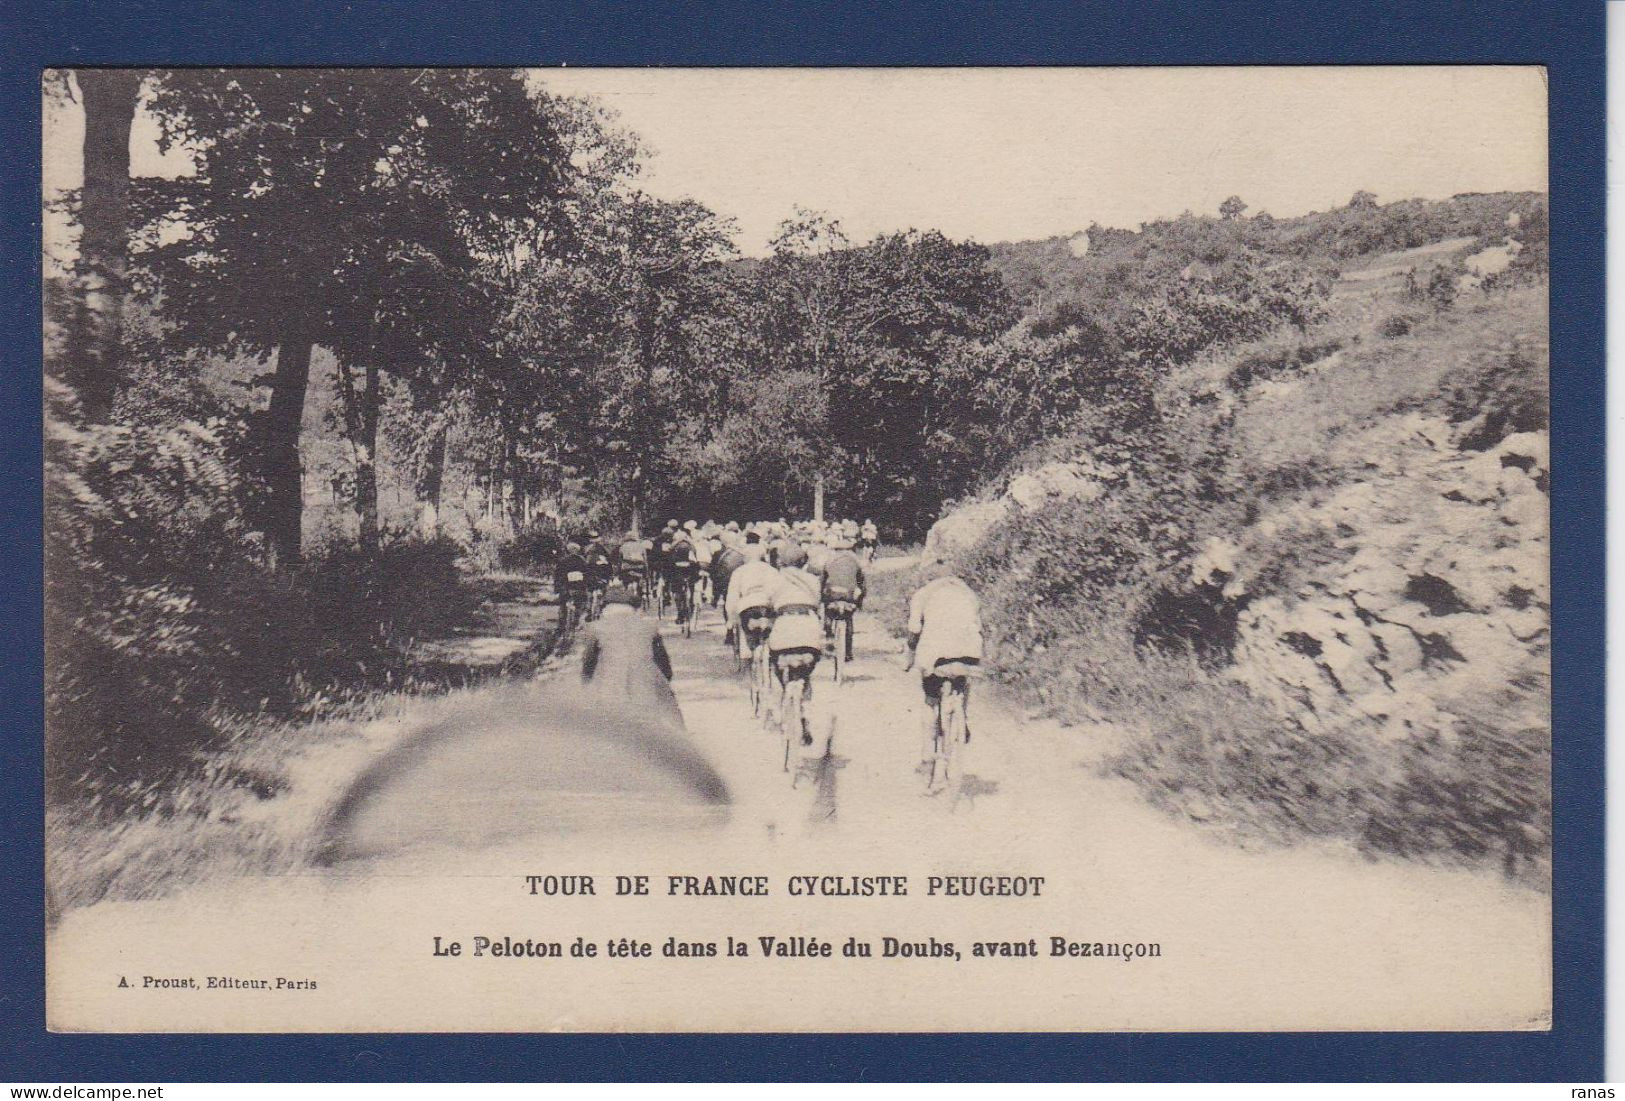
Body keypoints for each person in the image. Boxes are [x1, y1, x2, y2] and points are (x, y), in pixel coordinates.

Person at [906, 559, 985, 756]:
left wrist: (910, 653)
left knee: (930, 698)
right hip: (969, 651)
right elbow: (979, 628)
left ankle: (927, 748)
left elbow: (914, 629)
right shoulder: (969, 594)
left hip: (936, 653)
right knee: (962, 681)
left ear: (929, 578)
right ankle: (962, 717)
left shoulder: (922, 595)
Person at [580, 582, 675, 709]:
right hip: (645, 696)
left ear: (605, 609)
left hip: (610, 695)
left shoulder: (596, 628)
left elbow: (588, 665)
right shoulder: (649, 628)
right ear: (633, 609)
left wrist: (586, 685)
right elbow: (665, 668)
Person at [766, 543, 825, 746]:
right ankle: (805, 714)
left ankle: (776, 714)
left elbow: (767, 605)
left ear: (780, 561)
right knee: (806, 675)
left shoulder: (774, 579)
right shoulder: (813, 580)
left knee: (776, 669)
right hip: (809, 630)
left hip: (784, 628)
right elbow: (817, 603)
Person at [725, 533, 779, 663]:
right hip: (768, 605)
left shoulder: (739, 572)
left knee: (747, 632)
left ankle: (747, 653)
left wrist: (731, 619)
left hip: (747, 606)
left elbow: (732, 597)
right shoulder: (772, 570)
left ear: (745, 557)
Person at [820, 534, 867, 662]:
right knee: (848, 619)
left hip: (833, 594)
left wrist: (821, 597)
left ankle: (829, 639)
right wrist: (860, 601)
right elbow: (862, 583)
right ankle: (848, 652)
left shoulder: (829, 560)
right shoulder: (856, 561)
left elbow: (822, 581)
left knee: (828, 613)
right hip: (848, 596)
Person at [554, 541, 592, 631]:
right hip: (579, 589)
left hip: (566, 589)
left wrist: (557, 589)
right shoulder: (582, 561)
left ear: (567, 550)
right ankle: (577, 620)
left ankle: (561, 625)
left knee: (563, 605)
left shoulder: (563, 561)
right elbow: (588, 575)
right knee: (581, 604)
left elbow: (558, 576)